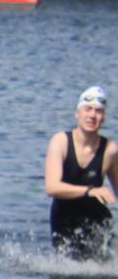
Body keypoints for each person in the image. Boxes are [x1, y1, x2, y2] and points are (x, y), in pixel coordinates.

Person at [43, 85, 117, 258]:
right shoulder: (60, 141)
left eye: (98, 111)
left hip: (96, 221)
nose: (92, 115)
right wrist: (90, 191)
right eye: (88, 109)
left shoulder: (110, 150)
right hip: (64, 218)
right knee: (67, 270)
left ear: (103, 118)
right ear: (77, 114)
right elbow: (51, 187)